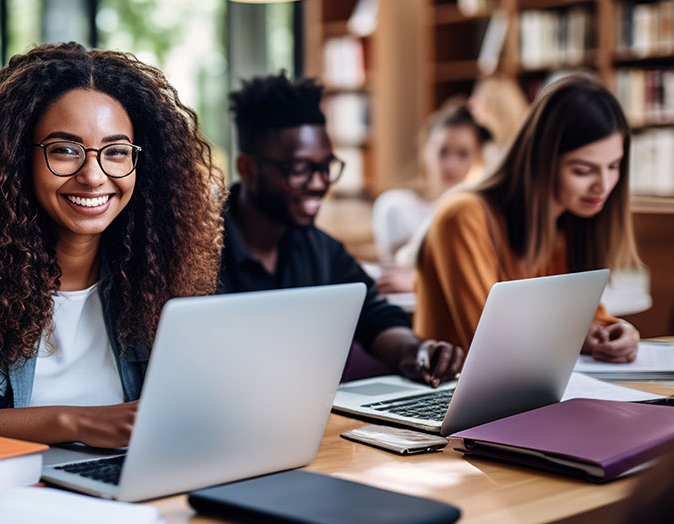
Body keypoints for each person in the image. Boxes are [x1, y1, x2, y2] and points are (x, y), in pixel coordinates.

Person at [0, 43, 224, 449]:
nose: (94, 176)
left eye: (115, 152)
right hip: (8, 492)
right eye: (64, 150)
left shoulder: (159, 259)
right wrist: (75, 423)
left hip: (133, 486)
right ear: (17, 156)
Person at [220, 73, 463, 388]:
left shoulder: (322, 250)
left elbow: (374, 317)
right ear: (247, 169)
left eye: (326, 167)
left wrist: (416, 351)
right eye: (300, 170)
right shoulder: (198, 253)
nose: (320, 184)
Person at [415, 75, 642, 362]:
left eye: (613, 166)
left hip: (524, 395)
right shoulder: (463, 216)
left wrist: (619, 331)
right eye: (582, 170)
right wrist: (573, 335)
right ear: (540, 162)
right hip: (450, 395)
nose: (604, 185)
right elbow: (492, 342)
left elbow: (588, 319)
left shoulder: (571, 223)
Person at [372, 98, 488, 293]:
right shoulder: (395, 206)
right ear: (425, 150)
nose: (451, 164)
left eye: (463, 154)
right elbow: (402, 273)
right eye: (443, 152)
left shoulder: (476, 209)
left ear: (476, 157)